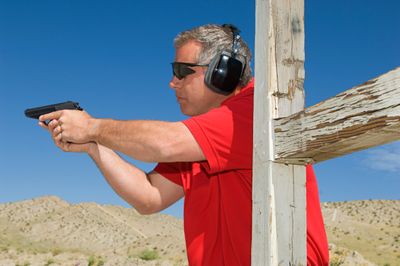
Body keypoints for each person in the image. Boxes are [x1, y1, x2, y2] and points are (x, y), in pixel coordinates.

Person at [39, 24, 329, 265]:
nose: (172, 82)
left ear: (222, 72)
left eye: (182, 71)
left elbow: (163, 143)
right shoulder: (201, 141)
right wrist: (93, 145)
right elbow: (149, 197)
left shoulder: (258, 111)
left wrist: (92, 127)